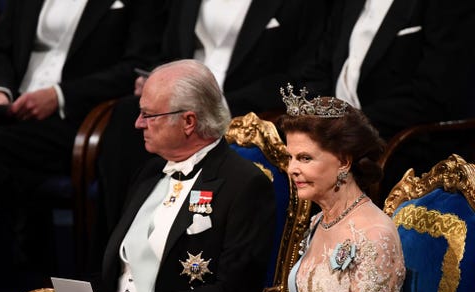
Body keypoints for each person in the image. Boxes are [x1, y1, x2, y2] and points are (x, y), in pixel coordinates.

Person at [52, 59, 276, 292]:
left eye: (148, 115)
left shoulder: (245, 184)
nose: (137, 124)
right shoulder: (149, 172)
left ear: (188, 122)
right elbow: (117, 273)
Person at [96, 0, 330, 237]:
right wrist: (158, 81)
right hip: (181, 99)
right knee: (126, 119)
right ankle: (117, 248)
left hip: (246, 107)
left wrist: (215, 104)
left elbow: (302, 76)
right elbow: (170, 52)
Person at [0, 0, 166, 271]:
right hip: (11, 107)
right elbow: (1, 48)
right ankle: (25, 252)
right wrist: (0, 90)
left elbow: (137, 66)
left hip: (77, 116)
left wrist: (59, 96)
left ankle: (27, 258)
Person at [302, 0, 475, 198]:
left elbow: (436, 94)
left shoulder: (448, 6)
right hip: (332, 135)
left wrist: (350, 125)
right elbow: (320, 70)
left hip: (402, 144)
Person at [278, 85, 405, 292]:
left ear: (344, 161)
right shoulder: (319, 221)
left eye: (304, 158)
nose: (291, 168)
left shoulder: (374, 237)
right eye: (290, 157)